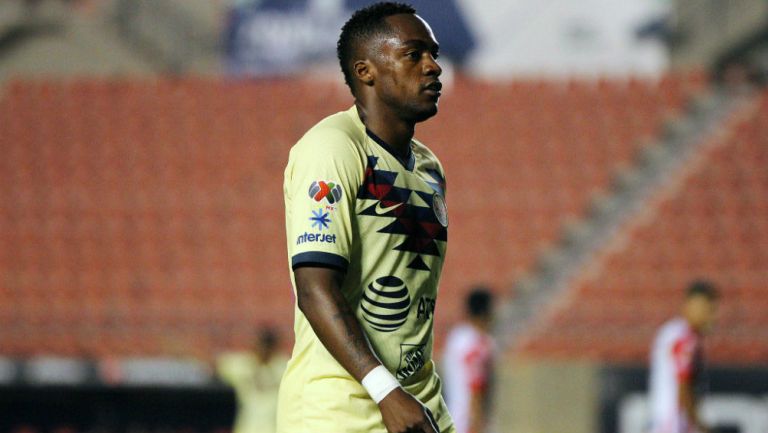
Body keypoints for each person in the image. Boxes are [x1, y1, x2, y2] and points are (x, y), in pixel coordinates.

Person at [277, 2, 452, 433]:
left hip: (419, 403)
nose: (433, 67)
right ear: (366, 71)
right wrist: (386, 393)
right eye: (414, 54)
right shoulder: (332, 148)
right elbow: (315, 289)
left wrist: (407, 395)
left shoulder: (429, 168)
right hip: (340, 412)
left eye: (434, 54)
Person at [648, 280, 719, 433]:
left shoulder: (672, 331)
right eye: (706, 309)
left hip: (665, 420)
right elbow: (683, 384)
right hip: (674, 422)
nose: (710, 316)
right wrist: (699, 424)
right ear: (689, 306)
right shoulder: (684, 337)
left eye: (712, 310)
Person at [442, 288, 496, 433]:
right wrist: (477, 424)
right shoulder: (478, 342)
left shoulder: (456, 337)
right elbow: (476, 385)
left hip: (452, 417)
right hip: (469, 423)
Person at [217, 328, 287, 433]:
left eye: (268, 347)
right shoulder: (243, 365)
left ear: (274, 349)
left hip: (274, 428)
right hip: (247, 427)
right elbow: (217, 364)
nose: (263, 350)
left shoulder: (283, 367)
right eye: (261, 346)